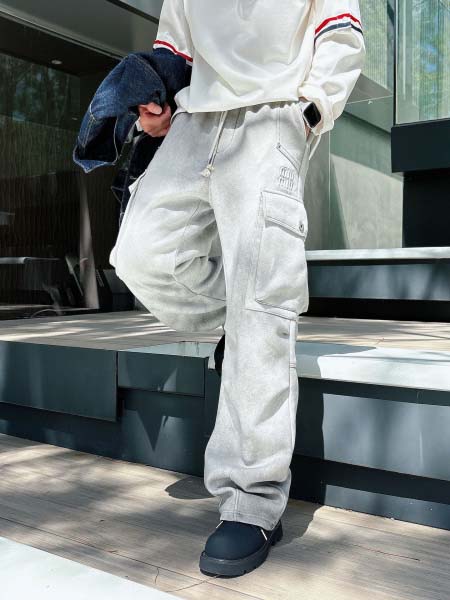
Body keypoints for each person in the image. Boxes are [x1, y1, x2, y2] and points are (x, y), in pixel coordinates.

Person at [110, 0, 365, 578]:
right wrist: (159, 105)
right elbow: (176, 49)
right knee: (142, 254)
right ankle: (241, 325)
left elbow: (341, 35)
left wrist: (308, 112)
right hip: (195, 118)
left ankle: (252, 503)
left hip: (272, 115)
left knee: (262, 301)